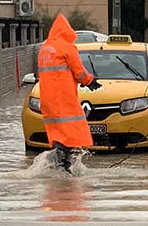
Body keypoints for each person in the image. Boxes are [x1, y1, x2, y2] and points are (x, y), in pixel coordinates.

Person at [38, 14, 102, 172]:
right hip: (64, 96)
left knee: (58, 132)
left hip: (47, 98)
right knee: (71, 131)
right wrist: (90, 81)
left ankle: (60, 165)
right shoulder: (67, 47)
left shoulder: (44, 48)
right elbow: (79, 71)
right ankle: (59, 163)